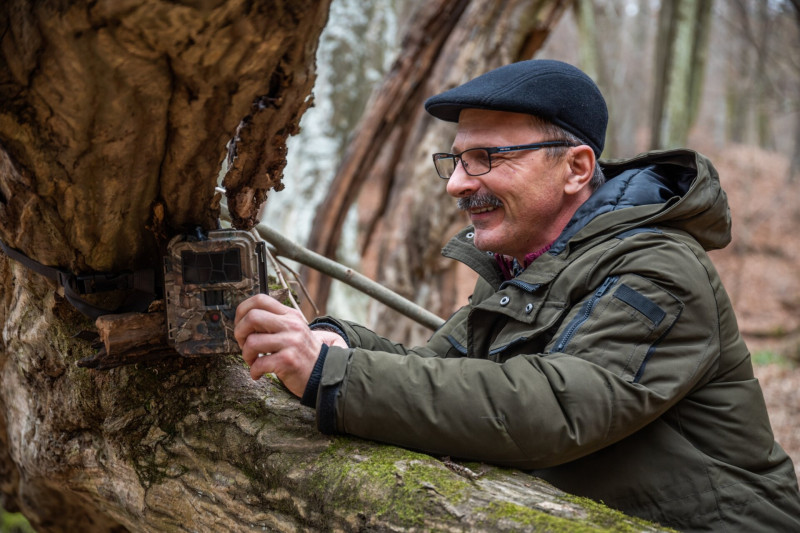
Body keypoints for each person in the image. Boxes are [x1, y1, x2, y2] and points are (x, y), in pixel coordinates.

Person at [234, 60, 800, 531]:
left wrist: (332, 372)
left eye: (487, 157)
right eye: (456, 160)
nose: (457, 182)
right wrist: (331, 342)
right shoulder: (525, 264)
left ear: (576, 169)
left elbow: (553, 410)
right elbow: (439, 373)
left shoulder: (660, 270)